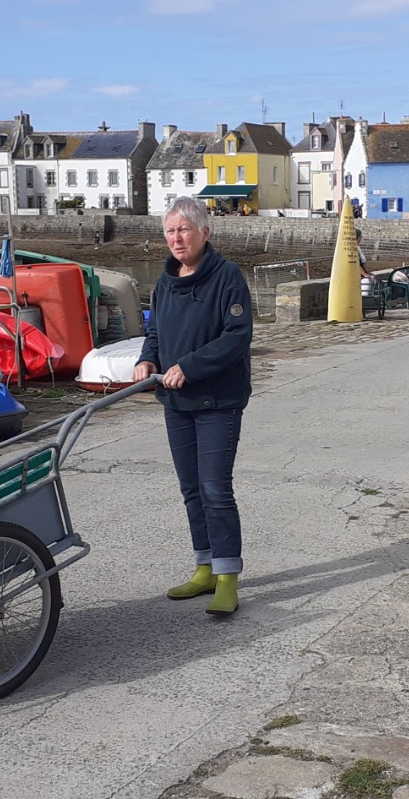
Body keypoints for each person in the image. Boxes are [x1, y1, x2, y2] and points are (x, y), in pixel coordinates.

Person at [132, 197, 253, 617]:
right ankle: (204, 566)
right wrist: (147, 359)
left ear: (205, 232)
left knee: (216, 489)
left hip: (219, 400)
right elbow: (155, 332)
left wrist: (190, 366)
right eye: (170, 231)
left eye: (184, 229)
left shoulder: (227, 277)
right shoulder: (165, 282)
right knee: (191, 490)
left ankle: (228, 578)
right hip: (175, 401)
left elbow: (236, 337)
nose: (177, 238)